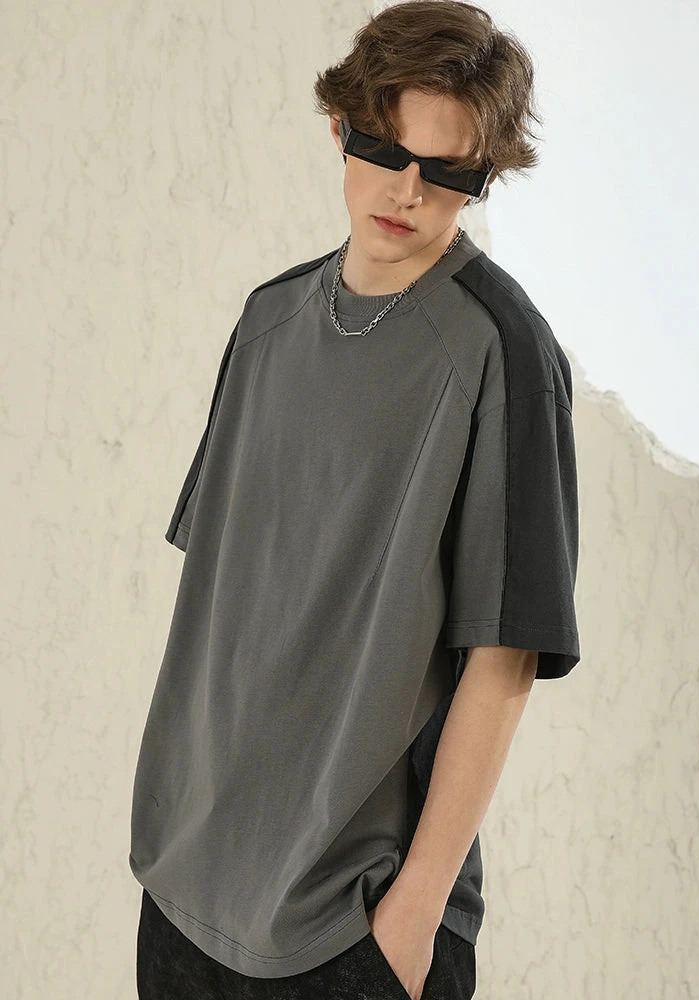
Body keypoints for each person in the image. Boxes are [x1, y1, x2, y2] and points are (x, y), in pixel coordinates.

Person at [130, 2, 581, 998]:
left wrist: (411, 917)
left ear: (487, 176)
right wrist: (170, 833)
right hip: (188, 890)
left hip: (353, 924)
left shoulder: (503, 353)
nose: (407, 191)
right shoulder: (268, 321)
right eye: (386, 149)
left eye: (447, 170)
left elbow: (504, 658)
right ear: (341, 127)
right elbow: (230, 604)